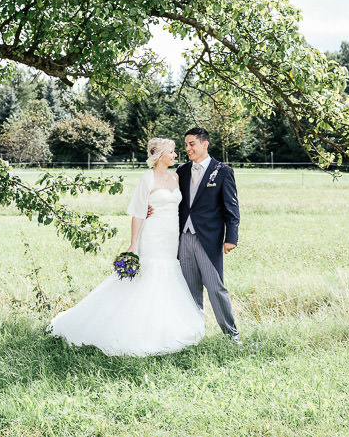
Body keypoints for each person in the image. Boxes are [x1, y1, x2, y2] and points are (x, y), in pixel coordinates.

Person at [47, 138, 205, 356]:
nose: (175, 155)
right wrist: (133, 244)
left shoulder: (176, 176)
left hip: (171, 236)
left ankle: (163, 325)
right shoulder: (147, 178)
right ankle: (136, 327)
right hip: (151, 235)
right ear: (159, 155)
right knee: (150, 275)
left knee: (168, 273)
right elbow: (138, 213)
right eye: (171, 152)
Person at [176, 127, 241, 343]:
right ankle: (193, 335)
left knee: (215, 287)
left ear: (205, 144)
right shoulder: (182, 171)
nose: (187, 148)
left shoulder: (223, 171)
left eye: (191, 144)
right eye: (185, 145)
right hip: (184, 237)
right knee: (189, 290)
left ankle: (232, 335)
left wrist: (231, 237)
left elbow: (231, 208)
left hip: (209, 238)